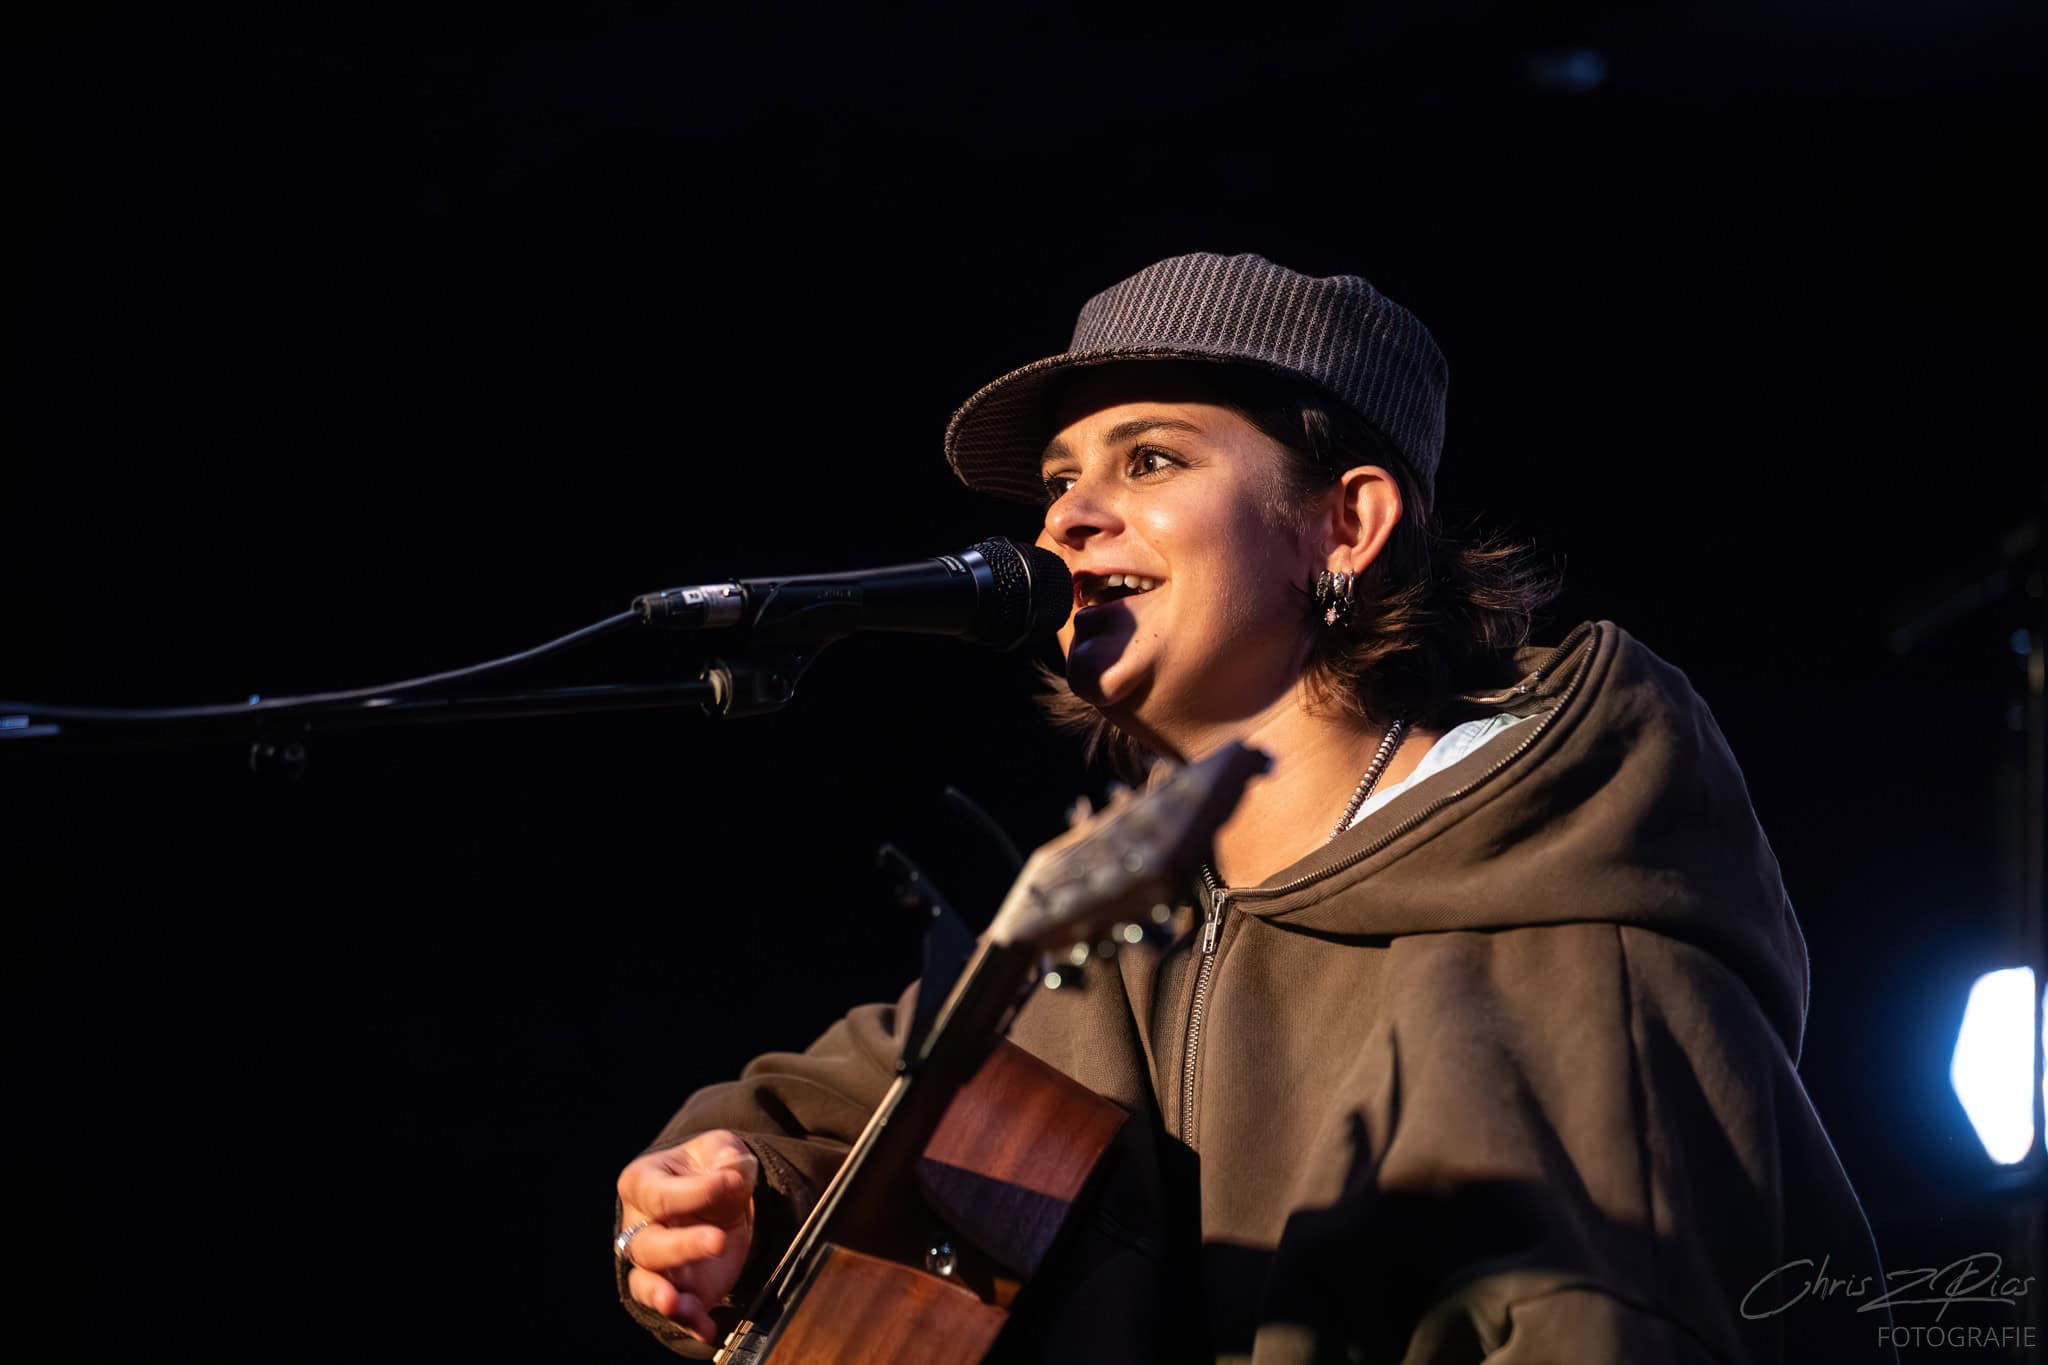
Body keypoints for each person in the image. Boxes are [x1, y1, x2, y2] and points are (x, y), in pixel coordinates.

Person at [613, 252, 1893, 1363]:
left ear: (1344, 525)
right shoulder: (1094, 931)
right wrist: (722, 1204)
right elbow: (787, 1121)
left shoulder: (1562, 926)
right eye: (1056, 481)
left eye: (1149, 458)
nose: (1066, 518)